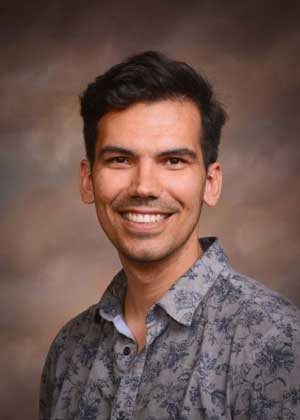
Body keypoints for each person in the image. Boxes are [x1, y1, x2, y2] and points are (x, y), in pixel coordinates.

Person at [39, 51, 300, 420]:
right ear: (88, 180)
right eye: (120, 160)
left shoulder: (278, 344)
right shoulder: (69, 349)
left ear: (210, 183)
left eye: (173, 161)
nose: (144, 186)